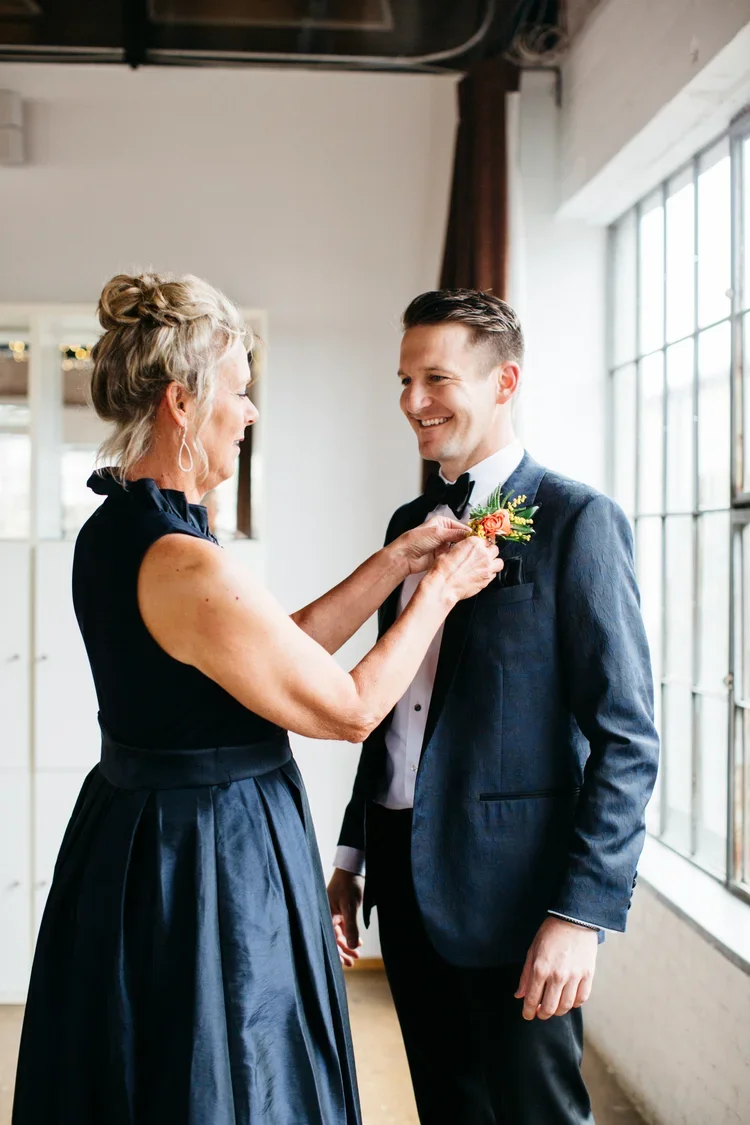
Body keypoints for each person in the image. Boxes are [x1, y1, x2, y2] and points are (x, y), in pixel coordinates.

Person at [11, 273, 502, 1125]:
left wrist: (397, 560)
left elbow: (280, 647)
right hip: (203, 856)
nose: (249, 412)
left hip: (148, 832)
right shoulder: (182, 562)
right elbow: (348, 708)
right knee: (224, 1071)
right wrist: (442, 590)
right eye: (238, 392)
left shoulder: (127, 525)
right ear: (181, 401)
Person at [328, 289, 660, 1125]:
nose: (412, 402)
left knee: (536, 1112)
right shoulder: (409, 524)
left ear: (504, 380)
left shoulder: (579, 521)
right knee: (447, 1106)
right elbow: (399, 703)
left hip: (519, 890)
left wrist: (580, 912)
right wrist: (353, 855)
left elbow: (628, 739)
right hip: (401, 877)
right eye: (404, 380)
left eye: (436, 378)